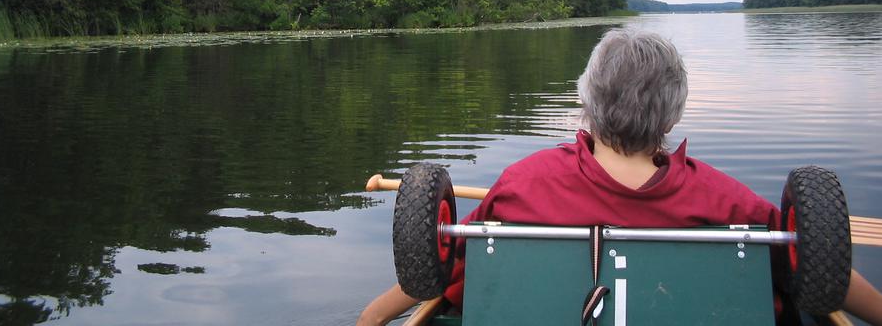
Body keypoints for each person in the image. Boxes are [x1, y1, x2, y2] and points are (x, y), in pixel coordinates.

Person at [358, 28, 882, 326]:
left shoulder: (524, 184)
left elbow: (441, 265)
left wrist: (370, 318)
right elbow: (818, 266)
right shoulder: (727, 201)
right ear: (673, 115)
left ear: (586, 102)